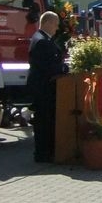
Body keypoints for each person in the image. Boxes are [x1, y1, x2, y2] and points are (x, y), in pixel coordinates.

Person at [27, 11, 66, 161]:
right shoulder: (42, 41)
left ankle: (45, 152)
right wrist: (65, 68)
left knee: (45, 120)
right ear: (47, 23)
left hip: (43, 86)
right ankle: (43, 153)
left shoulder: (41, 38)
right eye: (55, 24)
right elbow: (48, 67)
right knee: (44, 121)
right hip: (44, 87)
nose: (57, 28)